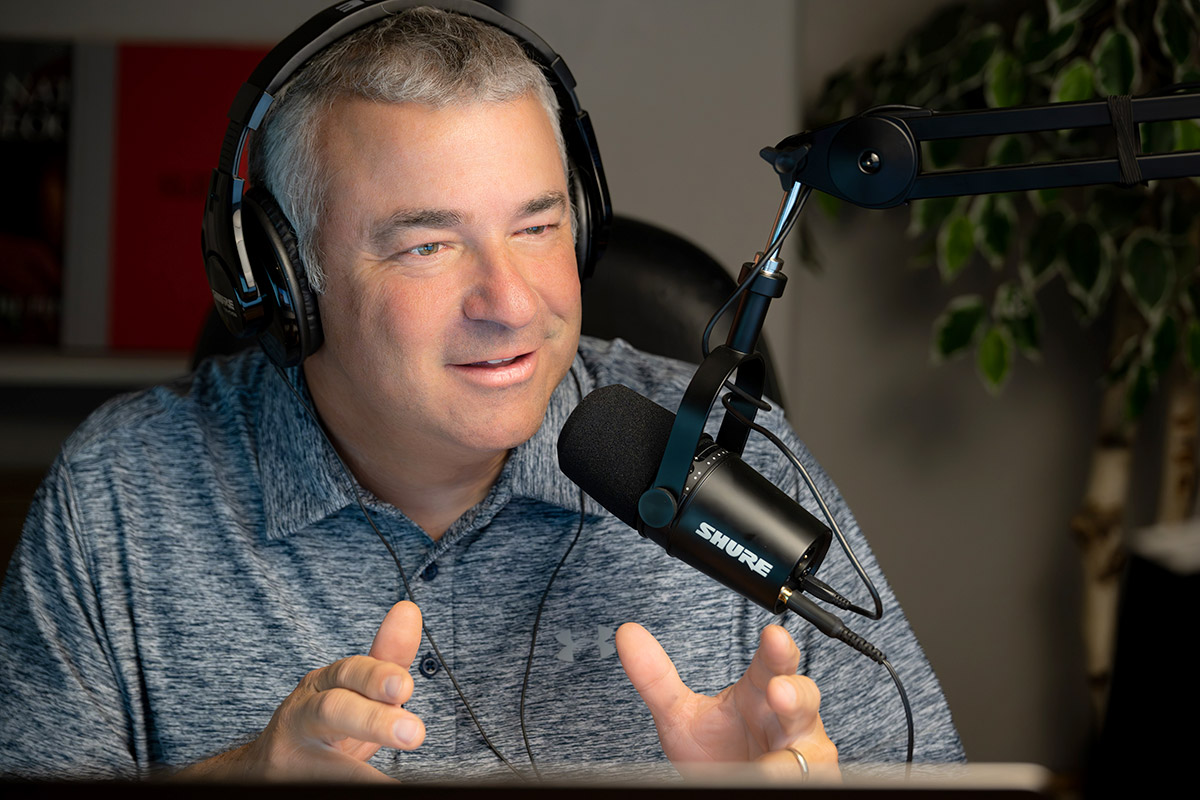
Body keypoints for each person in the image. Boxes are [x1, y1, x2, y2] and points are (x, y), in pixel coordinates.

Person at [0, 2, 963, 783]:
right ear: (288, 280)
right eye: (427, 244)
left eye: (538, 228)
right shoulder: (123, 492)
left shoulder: (725, 448)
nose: (511, 303)